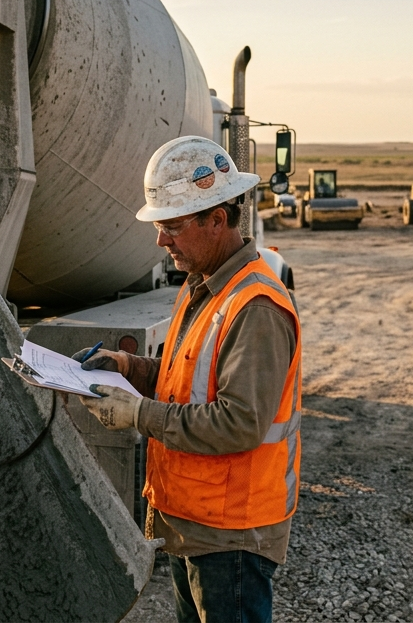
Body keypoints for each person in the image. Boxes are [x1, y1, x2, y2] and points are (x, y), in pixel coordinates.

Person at [77, 135, 301, 623]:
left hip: (230, 535)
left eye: (172, 226)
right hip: (197, 522)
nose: (161, 240)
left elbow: (238, 423)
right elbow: (186, 381)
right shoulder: (204, 286)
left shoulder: (255, 307)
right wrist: (129, 367)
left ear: (217, 220)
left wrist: (138, 414)